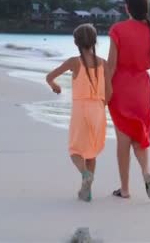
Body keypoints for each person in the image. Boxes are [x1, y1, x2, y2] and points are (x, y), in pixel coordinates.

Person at [106, 0, 150, 199]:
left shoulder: (118, 30)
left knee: (123, 138)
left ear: (127, 7)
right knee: (139, 136)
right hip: (143, 89)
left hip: (121, 88)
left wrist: (106, 90)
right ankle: (147, 171)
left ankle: (124, 189)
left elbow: (111, 65)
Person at [45, 24, 107, 202]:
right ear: (95, 41)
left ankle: (84, 175)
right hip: (98, 109)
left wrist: (55, 86)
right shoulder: (104, 63)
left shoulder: (74, 62)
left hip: (81, 110)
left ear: (76, 42)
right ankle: (86, 191)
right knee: (92, 152)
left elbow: (49, 77)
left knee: (75, 150)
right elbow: (110, 91)